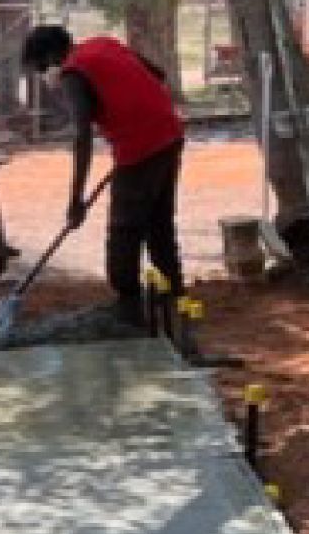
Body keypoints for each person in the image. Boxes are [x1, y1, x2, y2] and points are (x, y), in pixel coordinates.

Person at [22, 23, 188, 332]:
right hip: (169, 135)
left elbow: (82, 135)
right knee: (159, 223)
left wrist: (76, 199)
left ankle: (129, 307)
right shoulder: (104, 43)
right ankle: (176, 297)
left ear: (53, 55)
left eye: (43, 67)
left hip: (140, 148)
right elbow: (158, 74)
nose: (47, 74)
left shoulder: (73, 73)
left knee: (124, 231)